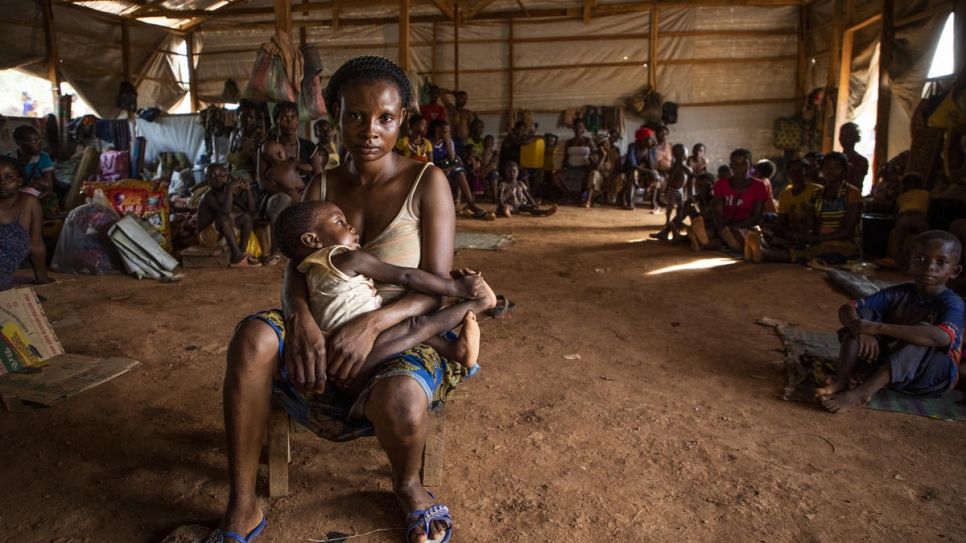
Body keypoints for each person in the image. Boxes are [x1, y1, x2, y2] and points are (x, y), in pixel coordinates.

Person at [214, 56, 477, 543]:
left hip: (401, 324)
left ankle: (408, 486)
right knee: (252, 338)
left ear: (402, 120)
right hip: (323, 316)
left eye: (385, 118)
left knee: (400, 398)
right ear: (335, 117)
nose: (370, 130)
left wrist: (373, 324)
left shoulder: (428, 183)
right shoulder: (322, 183)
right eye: (355, 115)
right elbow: (297, 269)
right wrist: (300, 318)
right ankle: (243, 505)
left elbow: (433, 286)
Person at [273, 200, 496, 386]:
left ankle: (455, 350)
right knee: (415, 325)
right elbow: (405, 276)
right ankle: (481, 303)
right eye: (340, 222)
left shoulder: (307, 270)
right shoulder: (348, 258)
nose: (351, 227)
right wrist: (454, 288)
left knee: (412, 331)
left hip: (334, 354)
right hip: (361, 350)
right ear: (312, 240)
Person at [816, 230, 964, 413]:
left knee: (924, 333)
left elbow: (942, 338)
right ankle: (842, 380)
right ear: (907, 260)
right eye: (921, 259)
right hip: (889, 371)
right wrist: (862, 330)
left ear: (955, 271)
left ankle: (863, 393)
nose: (930, 267)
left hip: (929, 378)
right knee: (863, 314)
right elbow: (847, 309)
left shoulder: (952, 303)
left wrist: (877, 328)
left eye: (941, 262)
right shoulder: (898, 292)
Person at [752, 152, 862, 265]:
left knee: (812, 253)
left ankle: (765, 253)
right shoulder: (817, 194)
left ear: (845, 170)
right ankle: (764, 249)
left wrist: (817, 239)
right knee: (796, 244)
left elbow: (848, 231)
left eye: (836, 168)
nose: (831, 172)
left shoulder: (852, 193)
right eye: (827, 167)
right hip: (819, 241)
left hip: (844, 244)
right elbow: (811, 223)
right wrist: (804, 235)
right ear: (822, 169)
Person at [257, 101, 324, 265]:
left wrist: (306, 192)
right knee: (281, 201)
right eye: (284, 118)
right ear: (276, 121)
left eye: (293, 117)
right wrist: (288, 192)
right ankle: (277, 250)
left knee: (315, 203)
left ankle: (314, 248)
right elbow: (263, 184)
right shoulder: (267, 148)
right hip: (278, 194)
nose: (290, 122)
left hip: (306, 191)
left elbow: (320, 176)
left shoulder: (308, 147)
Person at [690, 148, 769, 254]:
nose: (739, 168)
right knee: (713, 230)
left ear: (750, 166)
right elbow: (717, 211)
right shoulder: (721, 184)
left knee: (744, 235)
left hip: (746, 225)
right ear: (730, 166)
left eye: (743, 164)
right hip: (724, 224)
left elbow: (757, 216)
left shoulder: (759, 186)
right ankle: (714, 240)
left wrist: (732, 227)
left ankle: (704, 243)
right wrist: (721, 227)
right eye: (735, 164)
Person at [0, 155, 52, 290]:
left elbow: (36, 245)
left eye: (8, 177)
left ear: (19, 181)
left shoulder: (29, 203)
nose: (2, 182)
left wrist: (42, 280)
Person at [196, 163, 260, 268]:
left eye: (222, 174)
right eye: (213, 176)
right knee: (223, 217)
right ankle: (237, 257)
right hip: (207, 238)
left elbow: (250, 211)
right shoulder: (208, 197)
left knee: (246, 217)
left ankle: (242, 252)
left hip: (222, 235)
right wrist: (230, 189)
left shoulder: (229, 195)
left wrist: (247, 190)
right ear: (206, 181)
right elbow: (225, 212)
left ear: (227, 176)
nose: (218, 178)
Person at [428, 119, 494, 220]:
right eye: (445, 131)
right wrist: (442, 171)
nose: (447, 134)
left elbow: (452, 158)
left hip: (448, 166)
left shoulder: (449, 142)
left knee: (460, 173)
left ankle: (471, 203)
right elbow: (430, 163)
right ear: (437, 130)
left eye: (448, 132)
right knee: (444, 175)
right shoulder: (429, 143)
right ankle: (441, 207)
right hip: (435, 169)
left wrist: (447, 142)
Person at [879, 173, 931, 268]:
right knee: (927, 238)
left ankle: (896, 260)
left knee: (897, 239)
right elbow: (929, 208)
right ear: (922, 184)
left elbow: (896, 211)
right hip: (919, 217)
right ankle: (929, 256)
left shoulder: (902, 196)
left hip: (904, 217)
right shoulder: (925, 194)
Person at [226, 100, 267, 206]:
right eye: (243, 116)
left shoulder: (258, 136)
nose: (247, 120)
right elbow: (229, 162)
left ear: (255, 119)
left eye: (251, 117)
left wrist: (252, 151)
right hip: (231, 176)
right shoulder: (234, 133)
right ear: (238, 116)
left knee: (226, 195)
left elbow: (262, 168)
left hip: (247, 179)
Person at [9, 125, 57, 212]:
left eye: (39, 140)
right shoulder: (9, 158)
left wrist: (29, 203)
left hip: (39, 197)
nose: (39, 144)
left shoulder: (43, 157)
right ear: (20, 143)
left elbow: (49, 189)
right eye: (33, 141)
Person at [650, 144, 692, 240]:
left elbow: (690, 173)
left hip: (680, 189)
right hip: (673, 189)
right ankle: (668, 221)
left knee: (681, 205)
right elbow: (671, 177)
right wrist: (667, 188)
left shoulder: (684, 167)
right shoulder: (676, 166)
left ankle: (678, 220)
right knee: (670, 206)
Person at [552, 118, 596, 203]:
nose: (578, 129)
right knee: (555, 176)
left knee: (586, 179)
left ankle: (578, 197)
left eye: (580, 127)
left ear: (584, 128)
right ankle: (570, 196)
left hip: (584, 169)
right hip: (571, 168)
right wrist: (562, 168)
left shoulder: (588, 141)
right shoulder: (569, 142)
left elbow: (595, 156)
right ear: (573, 128)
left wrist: (592, 166)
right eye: (576, 127)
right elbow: (565, 157)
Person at [647, 126, 674, 213]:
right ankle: (657, 199)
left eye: (666, 134)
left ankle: (672, 200)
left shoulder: (669, 145)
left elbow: (673, 160)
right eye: (661, 133)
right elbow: (651, 162)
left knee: (677, 176)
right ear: (656, 134)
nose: (663, 136)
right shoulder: (653, 146)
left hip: (668, 170)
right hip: (656, 169)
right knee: (660, 178)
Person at [839, 122, 869, 192]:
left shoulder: (861, 161)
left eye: (848, 135)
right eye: (842, 135)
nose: (844, 138)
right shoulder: (835, 158)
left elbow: (857, 183)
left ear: (856, 138)